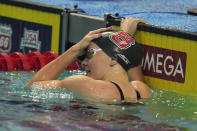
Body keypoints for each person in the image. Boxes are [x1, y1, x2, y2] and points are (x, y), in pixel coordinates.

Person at [25, 18, 150, 102]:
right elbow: (129, 60)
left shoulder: (82, 84)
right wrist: (124, 36)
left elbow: (31, 87)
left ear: (113, 59)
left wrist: (76, 49)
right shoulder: (142, 90)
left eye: (90, 53)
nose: (83, 62)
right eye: (83, 54)